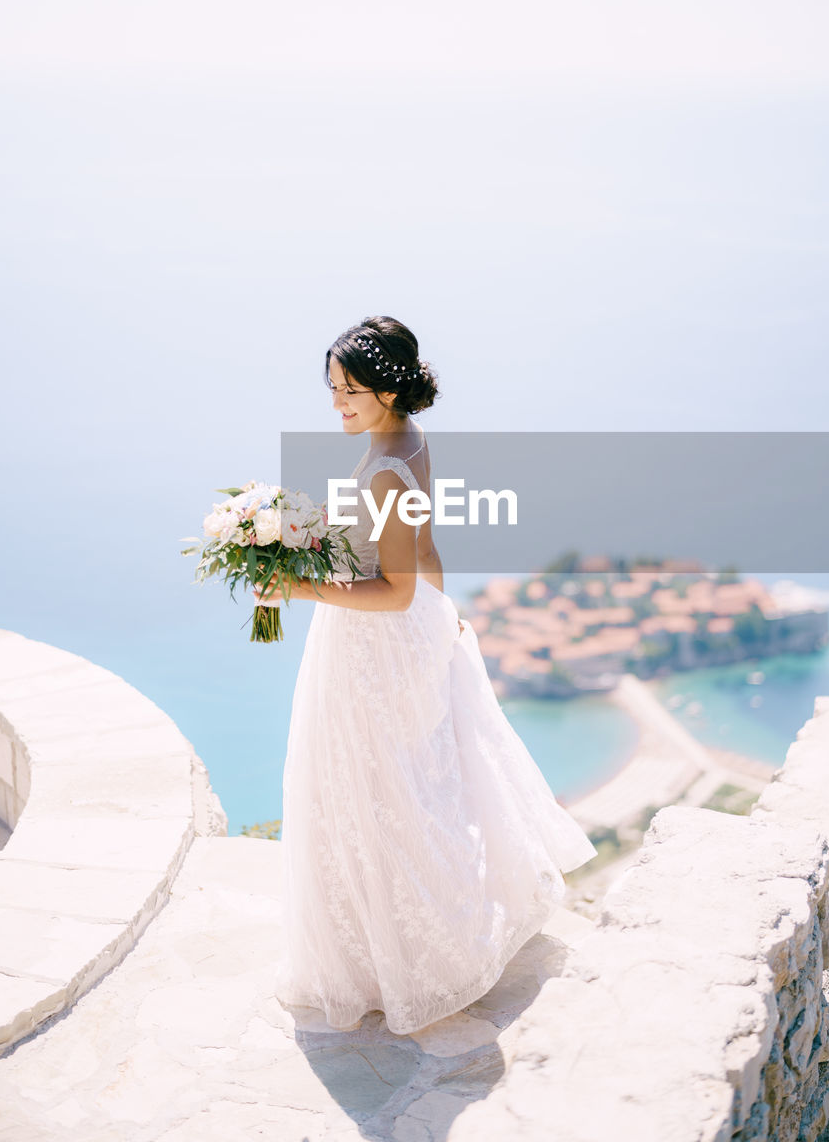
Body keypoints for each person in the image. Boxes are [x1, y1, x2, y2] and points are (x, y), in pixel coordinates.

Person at [254, 314, 598, 1035]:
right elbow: (422, 553)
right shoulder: (405, 442)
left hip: (372, 643)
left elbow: (395, 589)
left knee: (370, 791)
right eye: (331, 390)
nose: (337, 403)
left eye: (349, 390)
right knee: (406, 788)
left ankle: (403, 962)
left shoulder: (384, 466)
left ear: (386, 388)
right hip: (399, 637)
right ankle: (400, 948)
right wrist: (446, 616)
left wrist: (297, 587)